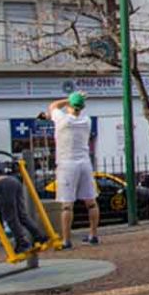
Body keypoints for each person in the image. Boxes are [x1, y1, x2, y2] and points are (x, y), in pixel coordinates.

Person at [48, 92, 98, 249]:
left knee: (67, 204)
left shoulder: (62, 119)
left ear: (69, 105)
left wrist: (68, 99)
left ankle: (66, 239)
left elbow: (53, 106)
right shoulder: (87, 121)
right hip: (84, 163)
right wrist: (78, 99)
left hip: (66, 164)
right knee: (91, 202)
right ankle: (93, 234)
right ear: (82, 107)